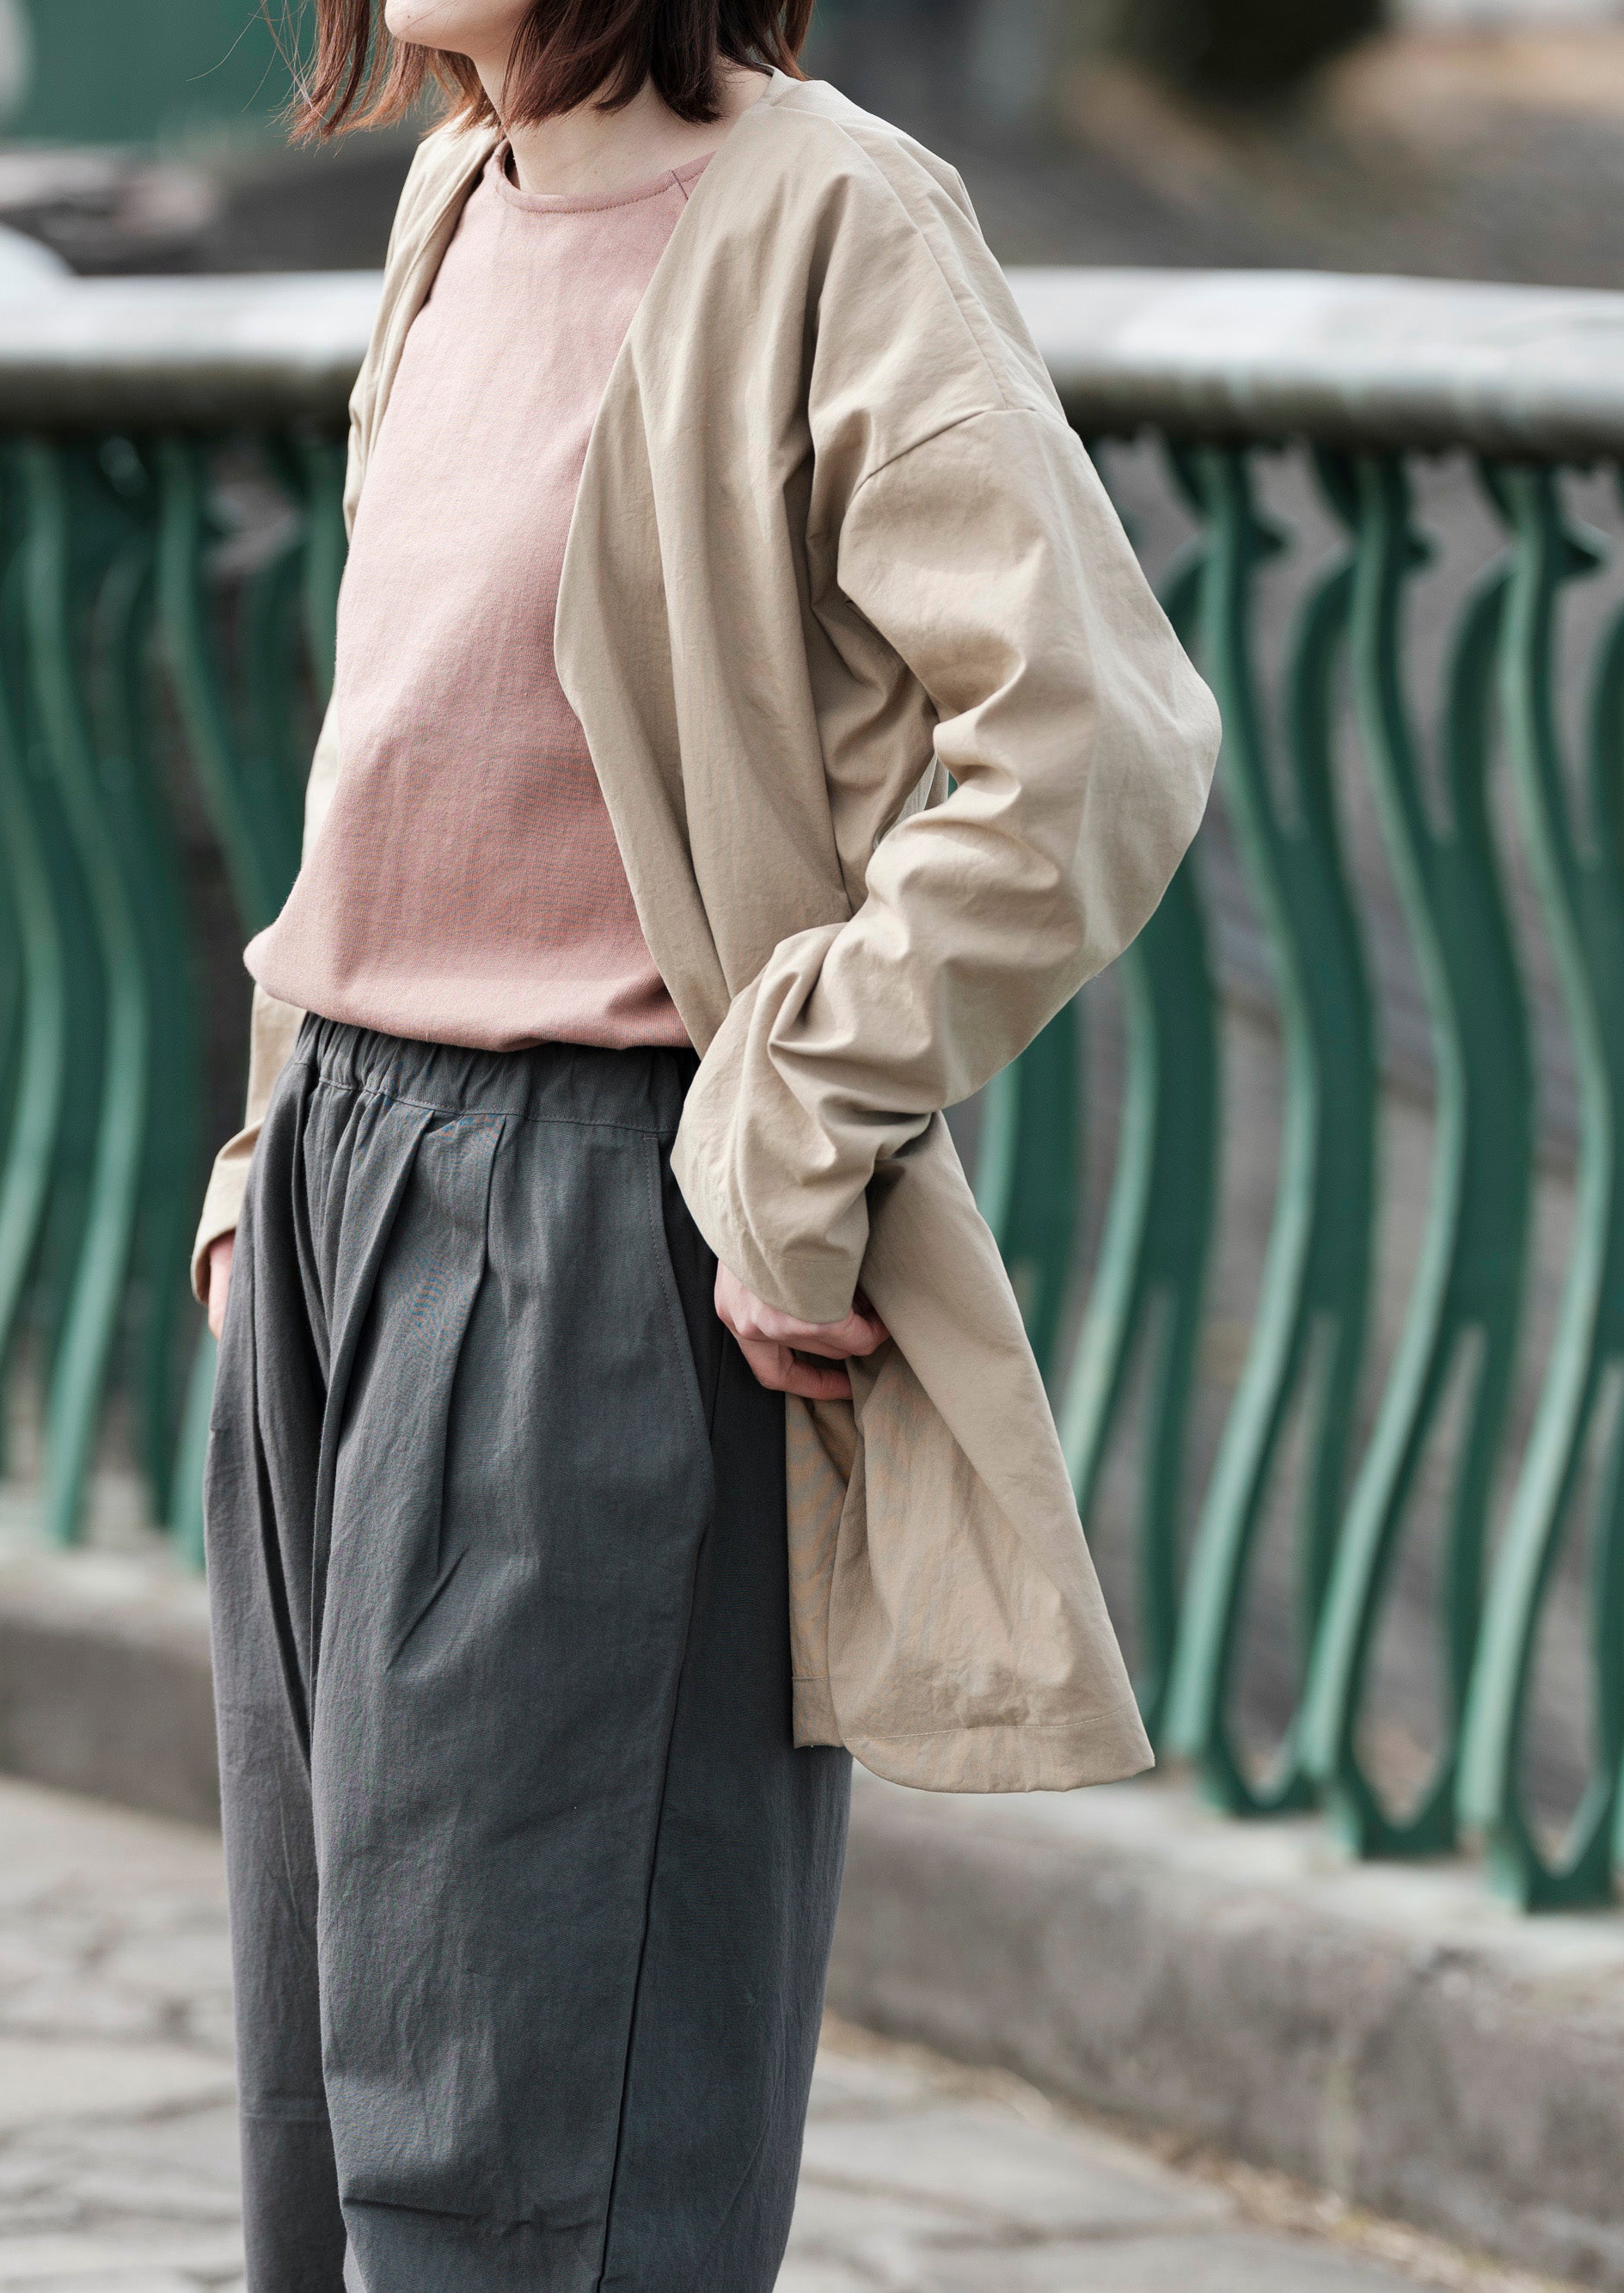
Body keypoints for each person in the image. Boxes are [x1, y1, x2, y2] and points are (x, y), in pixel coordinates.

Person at [193, 0, 1221, 2284]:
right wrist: (268, 1158)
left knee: (536, 2154)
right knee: (328, 2117)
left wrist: (805, 1115)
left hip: (588, 1243)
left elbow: (1088, 732)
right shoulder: (455, 196)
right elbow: (405, 739)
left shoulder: (831, 215)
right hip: (337, 1212)